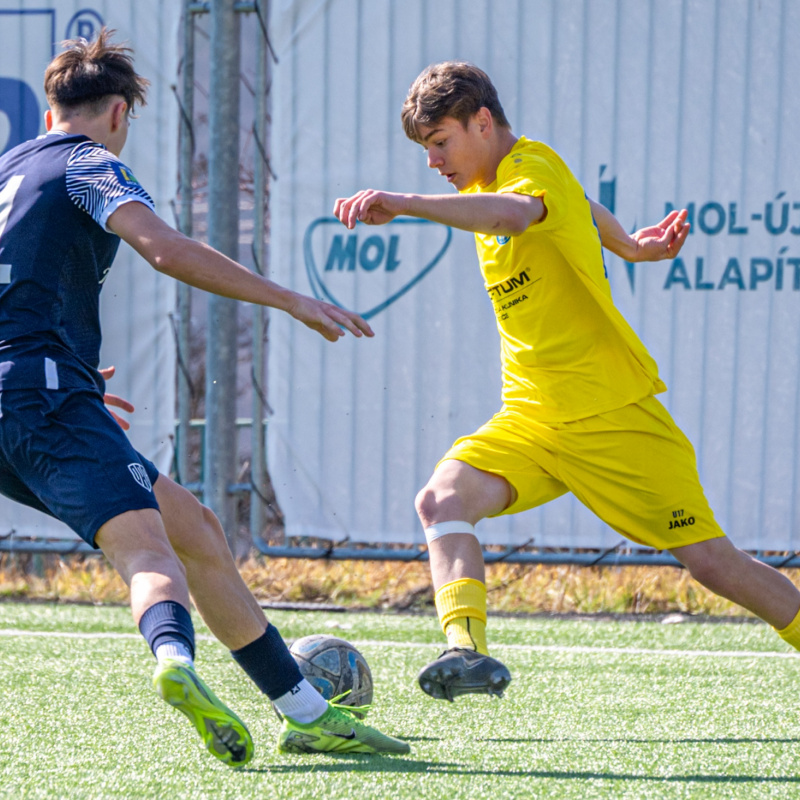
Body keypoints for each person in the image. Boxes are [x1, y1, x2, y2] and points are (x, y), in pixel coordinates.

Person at [0, 30, 409, 763]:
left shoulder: (8, 168)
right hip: (44, 398)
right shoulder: (92, 164)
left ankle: (305, 710)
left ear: (51, 106)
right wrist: (286, 298)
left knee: (197, 530)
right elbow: (165, 247)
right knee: (149, 550)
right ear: (120, 112)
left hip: (33, 395)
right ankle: (175, 665)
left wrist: (62, 374)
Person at [333, 61, 800, 703]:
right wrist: (630, 245)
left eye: (440, 142)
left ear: (483, 121)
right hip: (532, 418)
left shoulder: (528, 167)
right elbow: (578, 203)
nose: (433, 161)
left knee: (714, 564)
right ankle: (464, 651)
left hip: (610, 413)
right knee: (441, 500)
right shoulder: (487, 184)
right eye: (425, 150)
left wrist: (405, 204)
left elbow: (522, 214)